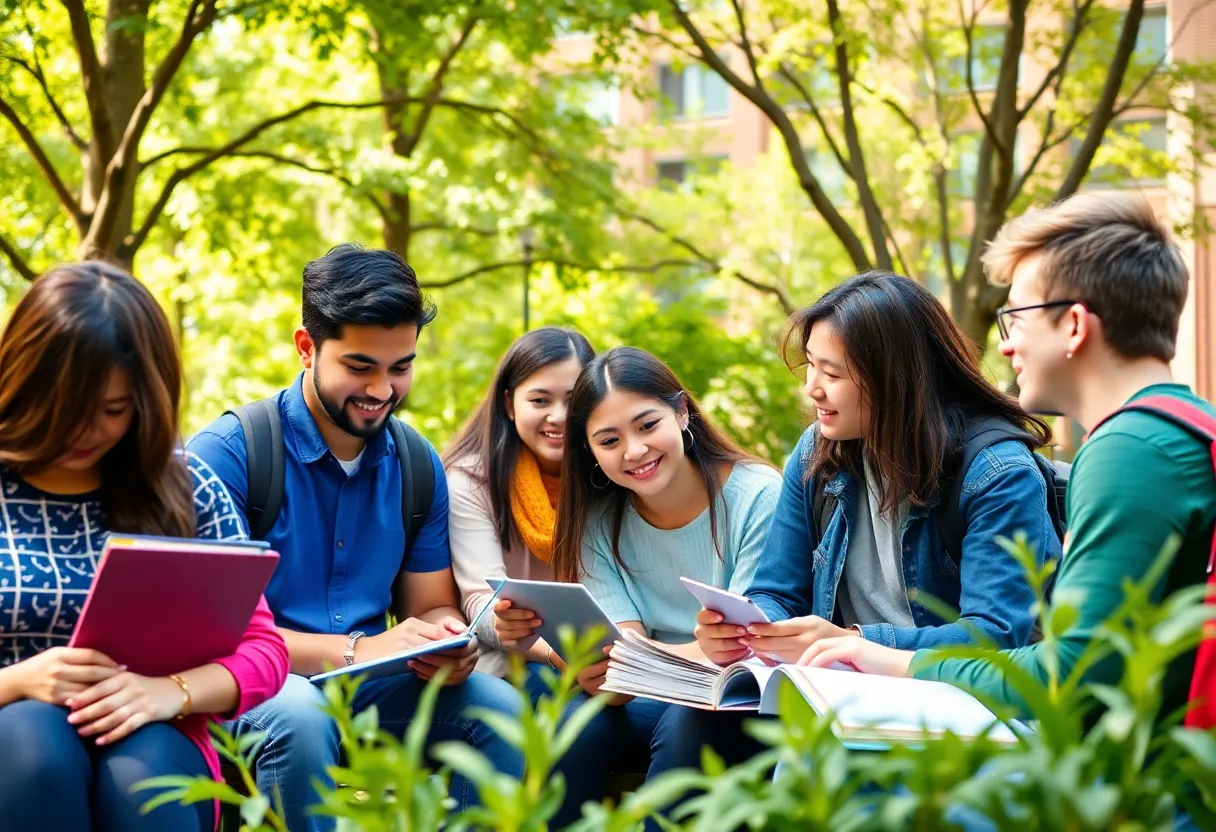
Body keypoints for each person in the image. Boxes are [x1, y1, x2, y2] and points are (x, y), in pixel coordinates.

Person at [800, 196, 1216, 728]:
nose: (1008, 344)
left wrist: (898, 661)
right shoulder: (1183, 428)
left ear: (1073, 326)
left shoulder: (1130, 452)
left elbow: (1072, 675)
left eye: (1015, 316)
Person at [189, 245, 523, 832]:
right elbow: (215, 634)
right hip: (252, 689)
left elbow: (431, 606)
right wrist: (360, 651)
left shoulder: (417, 465)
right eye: (360, 366)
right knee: (300, 718)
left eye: (401, 367)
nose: (383, 390)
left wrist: (448, 641)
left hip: (369, 691)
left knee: (503, 714)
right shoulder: (229, 455)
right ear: (306, 346)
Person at [678, 270, 1062, 773]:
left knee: (819, 766)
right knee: (690, 727)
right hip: (843, 690)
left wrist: (862, 642)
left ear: (896, 378)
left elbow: (994, 638)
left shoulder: (995, 473)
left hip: (952, 703)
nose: (812, 389)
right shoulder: (818, 451)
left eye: (832, 374)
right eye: (811, 367)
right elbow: (779, 589)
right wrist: (749, 627)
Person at [0, 262, 288, 831]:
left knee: (147, 775)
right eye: (64, 408)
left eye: (113, 409)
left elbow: (264, 651)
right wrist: (19, 682)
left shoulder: (185, 488)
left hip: (155, 737)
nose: (86, 431)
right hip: (13, 741)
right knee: (34, 744)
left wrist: (167, 694)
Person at [498, 346, 782, 820]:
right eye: (608, 441)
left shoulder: (757, 495)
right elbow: (622, 643)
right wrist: (605, 671)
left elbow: (745, 645)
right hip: (652, 693)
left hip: (738, 695)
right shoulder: (596, 517)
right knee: (575, 724)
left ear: (682, 412)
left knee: (689, 724)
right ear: (588, 451)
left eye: (647, 425)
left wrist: (632, 664)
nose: (634, 451)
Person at [444, 326, 600, 824]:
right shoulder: (471, 480)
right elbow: (478, 599)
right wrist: (550, 649)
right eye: (540, 399)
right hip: (505, 663)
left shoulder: (610, 475)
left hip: (595, 665)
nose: (558, 417)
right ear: (510, 404)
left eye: (574, 401)